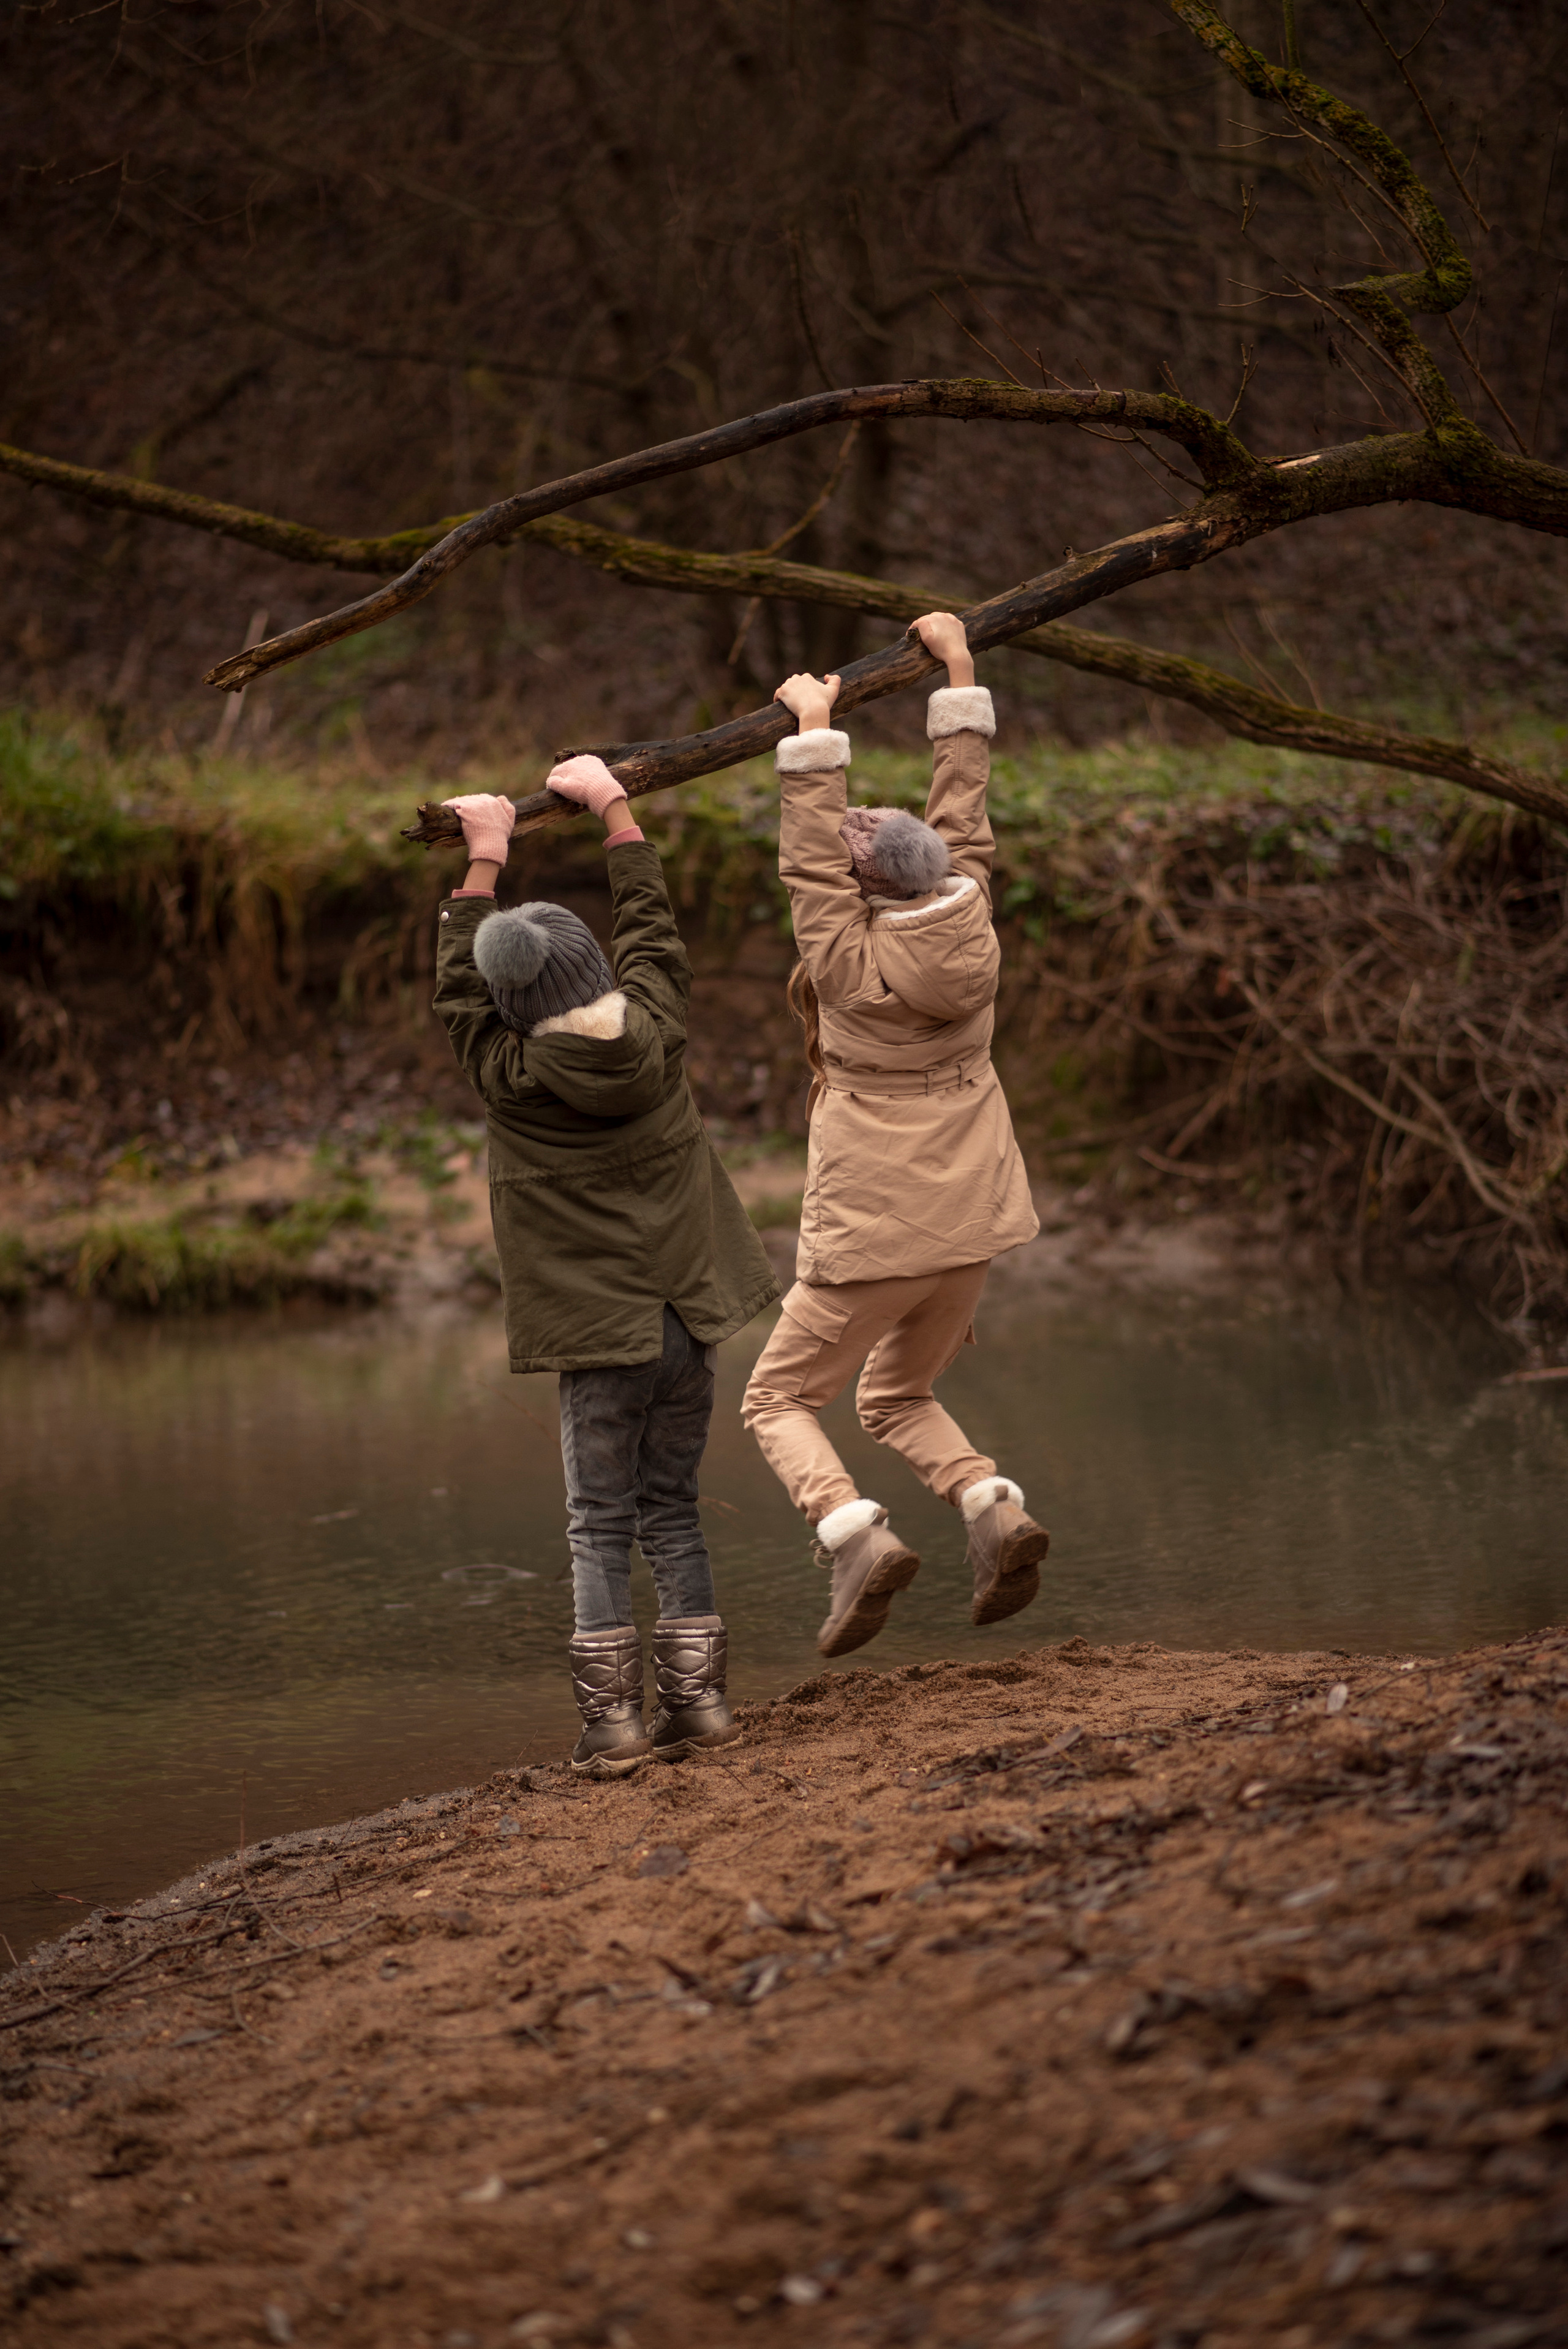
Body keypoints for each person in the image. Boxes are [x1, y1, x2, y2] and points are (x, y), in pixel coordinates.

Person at [434, 760, 780, 1777]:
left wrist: (484, 856)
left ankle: (613, 1725)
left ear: (510, 1004)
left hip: (600, 1342)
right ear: (600, 972)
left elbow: (458, 997)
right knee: (671, 1508)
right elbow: (653, 934)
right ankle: (700, 1707)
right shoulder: (657, 1034)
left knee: (598, 1524)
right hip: (687, 1323)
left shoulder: (510, 1076)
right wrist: (613, 807)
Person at [741, 613, 1049, 1659]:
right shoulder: (970, 909)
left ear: (865, 888)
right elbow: (965, 811)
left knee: (777, 1397)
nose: (853, 827)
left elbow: (807, 865)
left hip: (878, 1233)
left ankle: (852, 1536)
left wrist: (814, 734)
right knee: (896, 1394)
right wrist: (957, 671)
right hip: (969, 1228)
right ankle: (992, 1509)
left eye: (859, 837)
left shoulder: (846, 962)